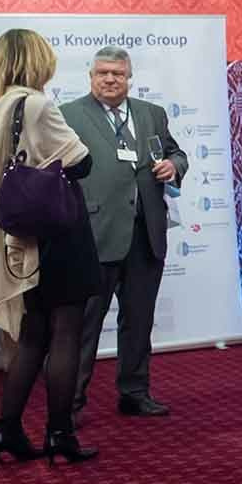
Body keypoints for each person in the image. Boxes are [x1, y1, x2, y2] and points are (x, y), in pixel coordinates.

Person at [0, 29, 98, 463]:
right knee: (66, 332)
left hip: (21, 234)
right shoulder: (36, 104)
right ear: (37, 61)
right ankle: (60, 434)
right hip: (58, 230)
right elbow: (80, 161)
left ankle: (7, 428)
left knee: (34, 335)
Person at [64, 47, 186, 420]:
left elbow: (177, 153)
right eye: (102, 72)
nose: (110, 79)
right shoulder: (68, 115)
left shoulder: (152, 114)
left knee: (138, 321)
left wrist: (173, 166)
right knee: (84, 327)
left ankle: (134, 393)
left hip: (145, 233)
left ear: (129, 78)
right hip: (94, 234)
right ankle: (70, 403)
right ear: (90, 76)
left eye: (117, 73)